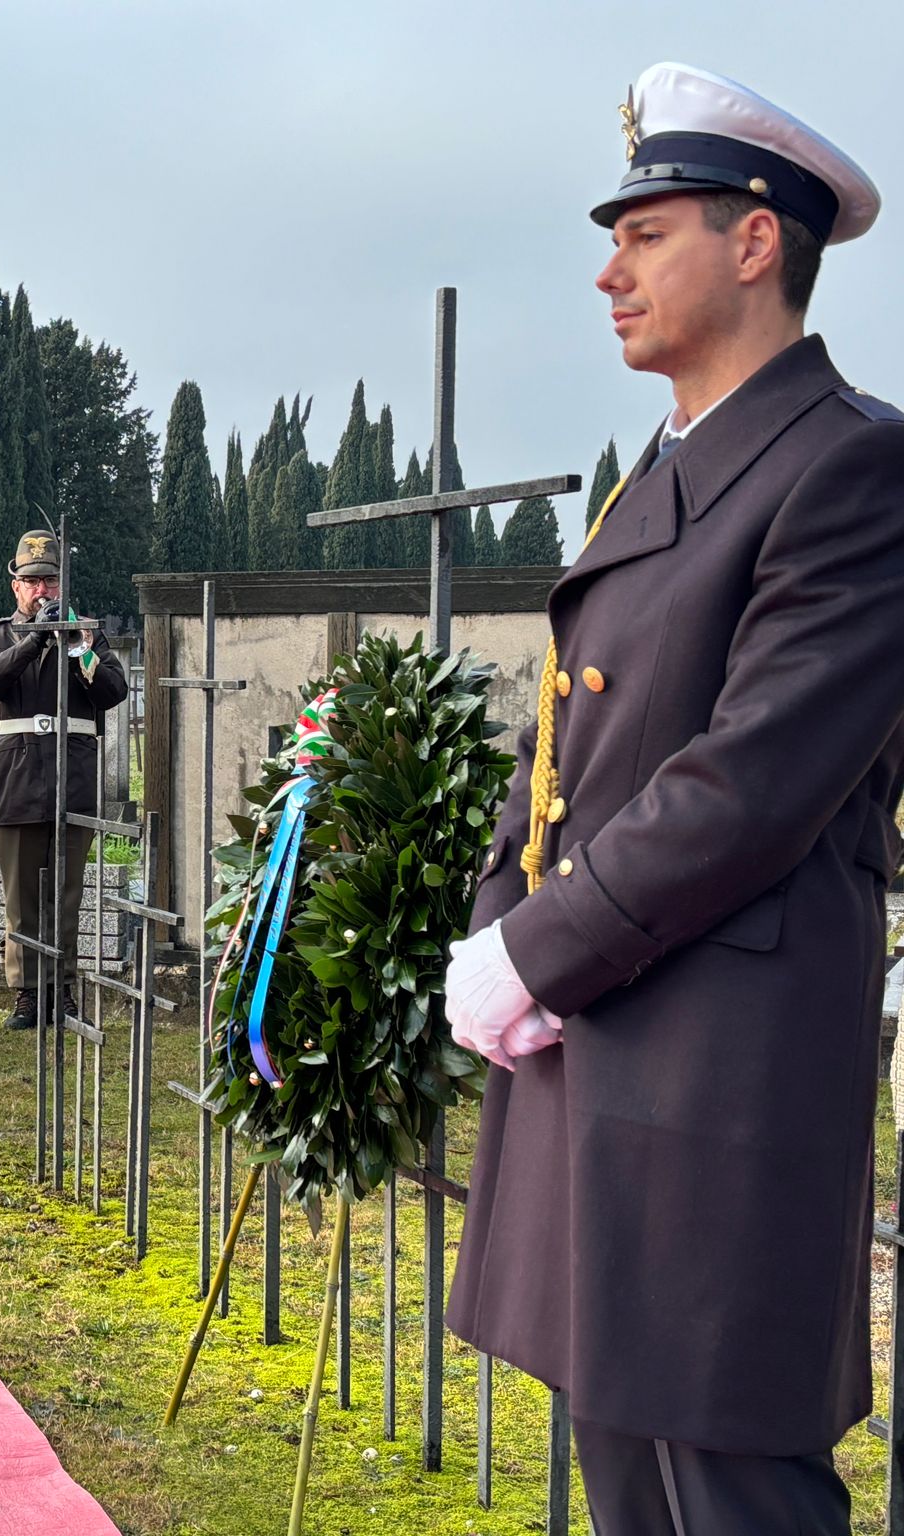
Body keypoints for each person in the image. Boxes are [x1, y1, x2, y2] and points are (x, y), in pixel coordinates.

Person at [445, 63, 899, 1535]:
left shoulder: (848, 469)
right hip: (617, 1038)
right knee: (627, 1471)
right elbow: (568, 742)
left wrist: (534, 951)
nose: (609, 267)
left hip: (728, 1076)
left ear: (756, 241)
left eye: (646, 232)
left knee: (731, 1486)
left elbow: (750, 783)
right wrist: (502, 906)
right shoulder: (669, 467)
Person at [0, 531, 128, 1033]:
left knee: (66, 895)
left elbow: (114, 690)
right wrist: (34, 638)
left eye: (50, 581)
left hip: (72, 778)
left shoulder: (86, 635)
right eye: (32, 581)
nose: (41, 591)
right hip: (16, 776)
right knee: (22, 898)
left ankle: (63, 989)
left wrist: (76, 647)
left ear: (63, 586)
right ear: (15, 586)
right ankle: (27, 993)